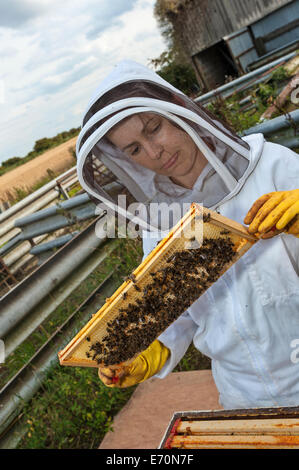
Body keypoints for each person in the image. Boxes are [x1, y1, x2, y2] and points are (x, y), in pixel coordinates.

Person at [76, 60, 299, 410]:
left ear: (179, 110)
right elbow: (178, 313)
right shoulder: (160, 222)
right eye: (134, 149)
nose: (153, 152)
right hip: (244, 400)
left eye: (153, 128)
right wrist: (150, 348)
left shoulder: (273, 166)